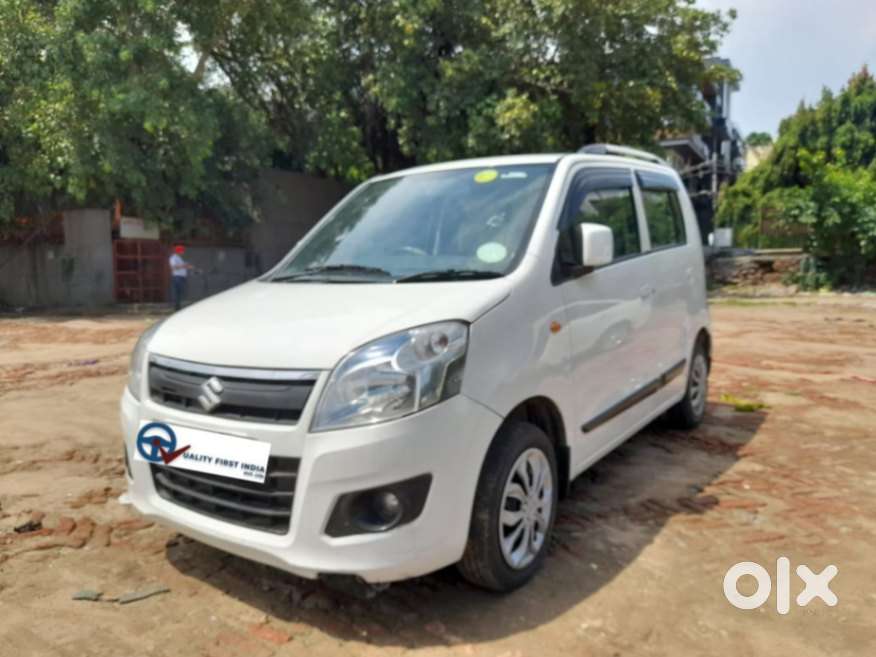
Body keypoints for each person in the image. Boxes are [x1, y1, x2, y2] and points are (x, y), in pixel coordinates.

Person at [169, 244, 194, 311]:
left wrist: (188, 267)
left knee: (179, 293)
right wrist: (184, 265)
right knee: (178, 292)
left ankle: (178, 307)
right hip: (177, 277)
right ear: (178, 251)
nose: (183, 252)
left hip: (181, 277)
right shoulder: (173, 258)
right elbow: (174, 267)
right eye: (182, 251)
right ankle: (177, 307)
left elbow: (181, 267)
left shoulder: (179, 258)